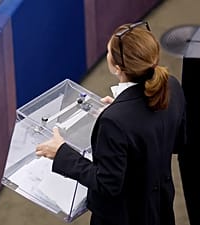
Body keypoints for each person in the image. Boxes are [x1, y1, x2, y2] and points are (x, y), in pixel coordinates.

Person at [35, 21, 186, 225]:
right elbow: (175, 141)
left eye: (108, 51)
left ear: (117, 67)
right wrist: (122, 109)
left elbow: (108, 184)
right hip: (159, 210)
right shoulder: (172, 85)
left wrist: (61, 152)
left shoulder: (114, 120)